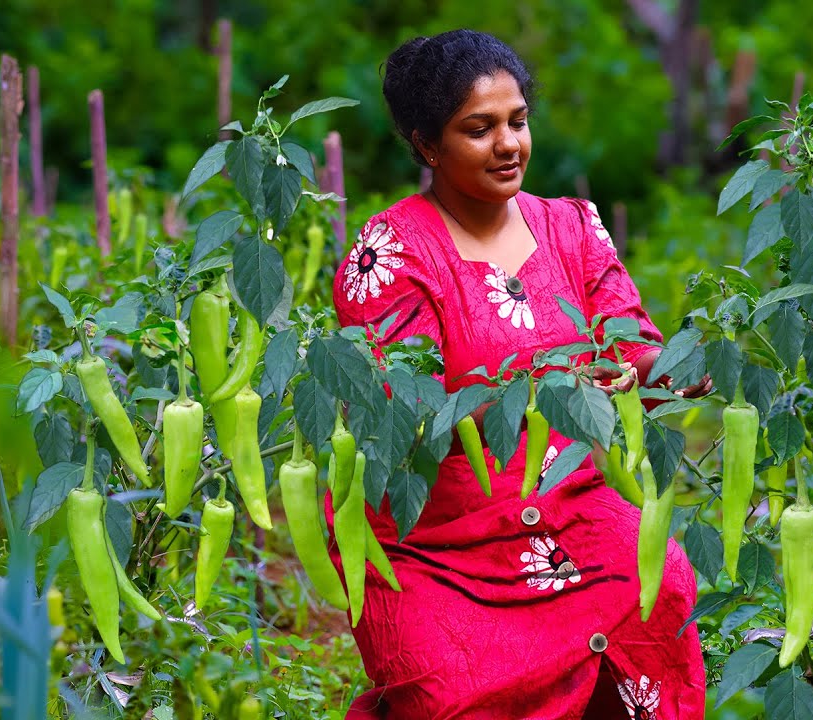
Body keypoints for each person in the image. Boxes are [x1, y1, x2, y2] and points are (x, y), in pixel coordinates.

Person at [325, 29, 710, 719]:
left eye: (517, 122)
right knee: (451, 686)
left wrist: (675, 368)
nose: (509, 144)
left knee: (662, 581)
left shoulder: (572, 226)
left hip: (572, 503)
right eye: (479, 129)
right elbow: (405, 412)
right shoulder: (388, 254)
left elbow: (630, 345)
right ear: (426, 145)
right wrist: (547, 392)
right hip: (437, 539)